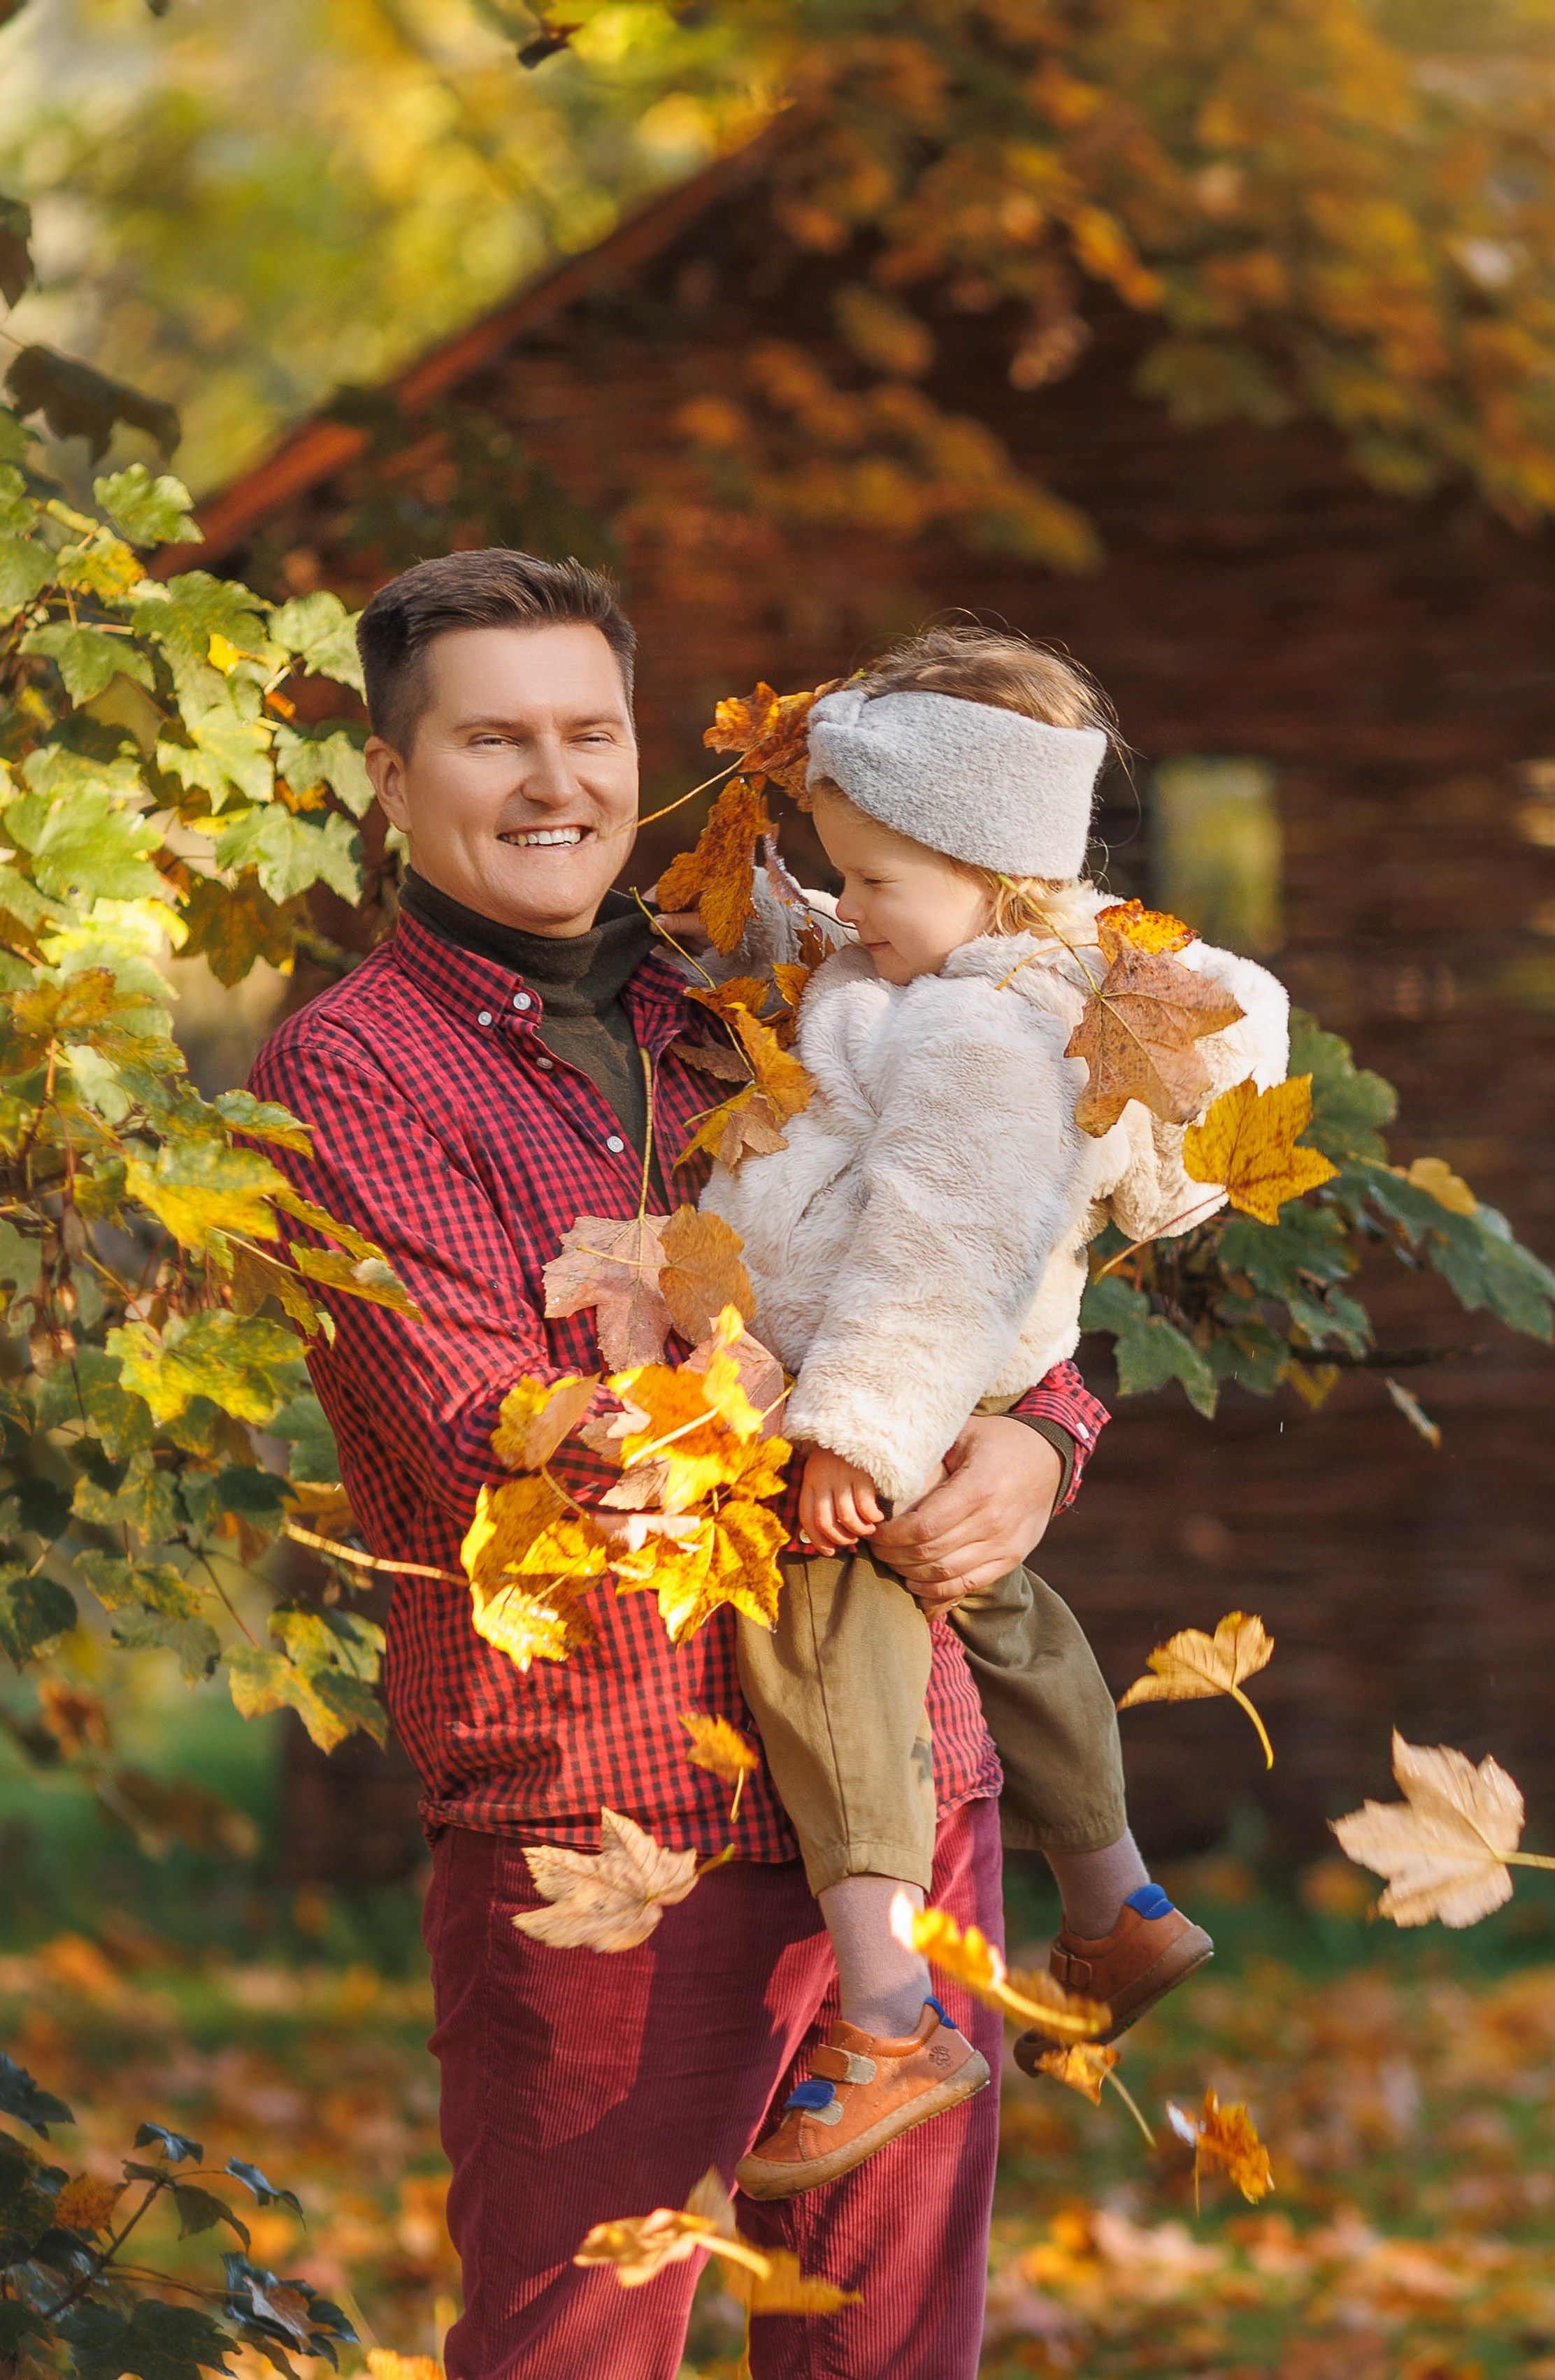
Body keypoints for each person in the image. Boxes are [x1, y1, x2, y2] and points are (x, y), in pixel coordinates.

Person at [248, 550, 1112, 2380]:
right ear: (391, 778)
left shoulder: (783, 982)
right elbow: (491, 1413)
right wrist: (782, 1418)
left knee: (889, 2352)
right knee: (577, 2344)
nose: (557, 781)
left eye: (590, 730)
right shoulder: (352, 1072)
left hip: (900, 1787)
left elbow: (995, 1237)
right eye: (493, 738)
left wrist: (1038, 1439)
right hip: (606, 1821)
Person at [701, 628, 1290, 2200]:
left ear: (982, 857)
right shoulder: (989, 965)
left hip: (881, 1378)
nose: (845, 913)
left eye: (872, 879)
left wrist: (856, 1434)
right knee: (998, 1603)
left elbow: (939, 1249)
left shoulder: (977, 1028)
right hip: (920, 1387)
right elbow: (841, 969)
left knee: (823, 1641)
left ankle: (888, 2017)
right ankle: (1114, 1903)